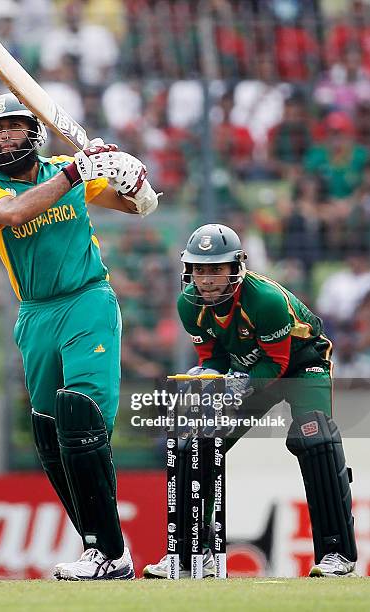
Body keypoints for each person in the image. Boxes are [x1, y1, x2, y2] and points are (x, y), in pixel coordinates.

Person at [0, 92, 160, 580]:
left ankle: (109, 555)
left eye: (13, 127)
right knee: (48, 433)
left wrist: (131, 181)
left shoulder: (66, 168)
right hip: (35, 314)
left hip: (86, 300)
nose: (4, 137)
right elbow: (15, 215)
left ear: (33, 132)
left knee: (81, 413)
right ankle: (102, 548)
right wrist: (75, 172)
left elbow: (139, 205)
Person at [143, 223, 357, 579]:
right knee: (196, 443)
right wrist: (209, 379)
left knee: (314, 437)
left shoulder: (265, 300)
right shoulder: (188, 306)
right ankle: (190, 554)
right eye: (199, 269)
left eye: (216, 269)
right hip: (247, 372)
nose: (207, 279)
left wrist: (235, 384)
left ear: (235, 268)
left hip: (302, 364)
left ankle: (337, 555)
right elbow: (212, 358)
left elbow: (278, 362)